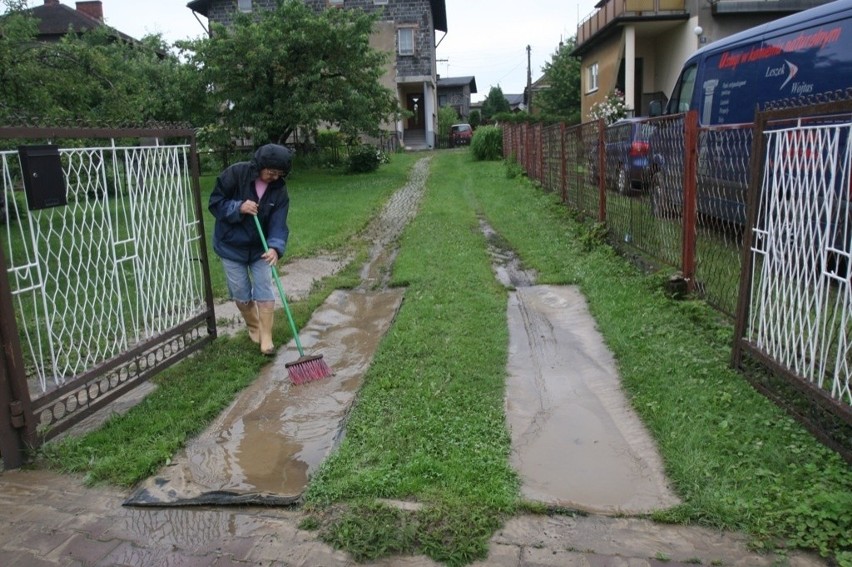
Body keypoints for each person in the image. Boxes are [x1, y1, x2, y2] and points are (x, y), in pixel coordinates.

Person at [208, 143, 293, 355]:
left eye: (278, 174)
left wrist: (275, 247)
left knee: (264, 289)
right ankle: (254, 325)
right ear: (259, 166)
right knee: (241, 293)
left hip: (260, 249)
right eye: (270, 172)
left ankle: (267, 337)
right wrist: (238, 207)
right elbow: (215, 203)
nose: (274, 177)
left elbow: (278, 222)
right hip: (231, 246)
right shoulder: (235, 174)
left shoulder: (279, 190)